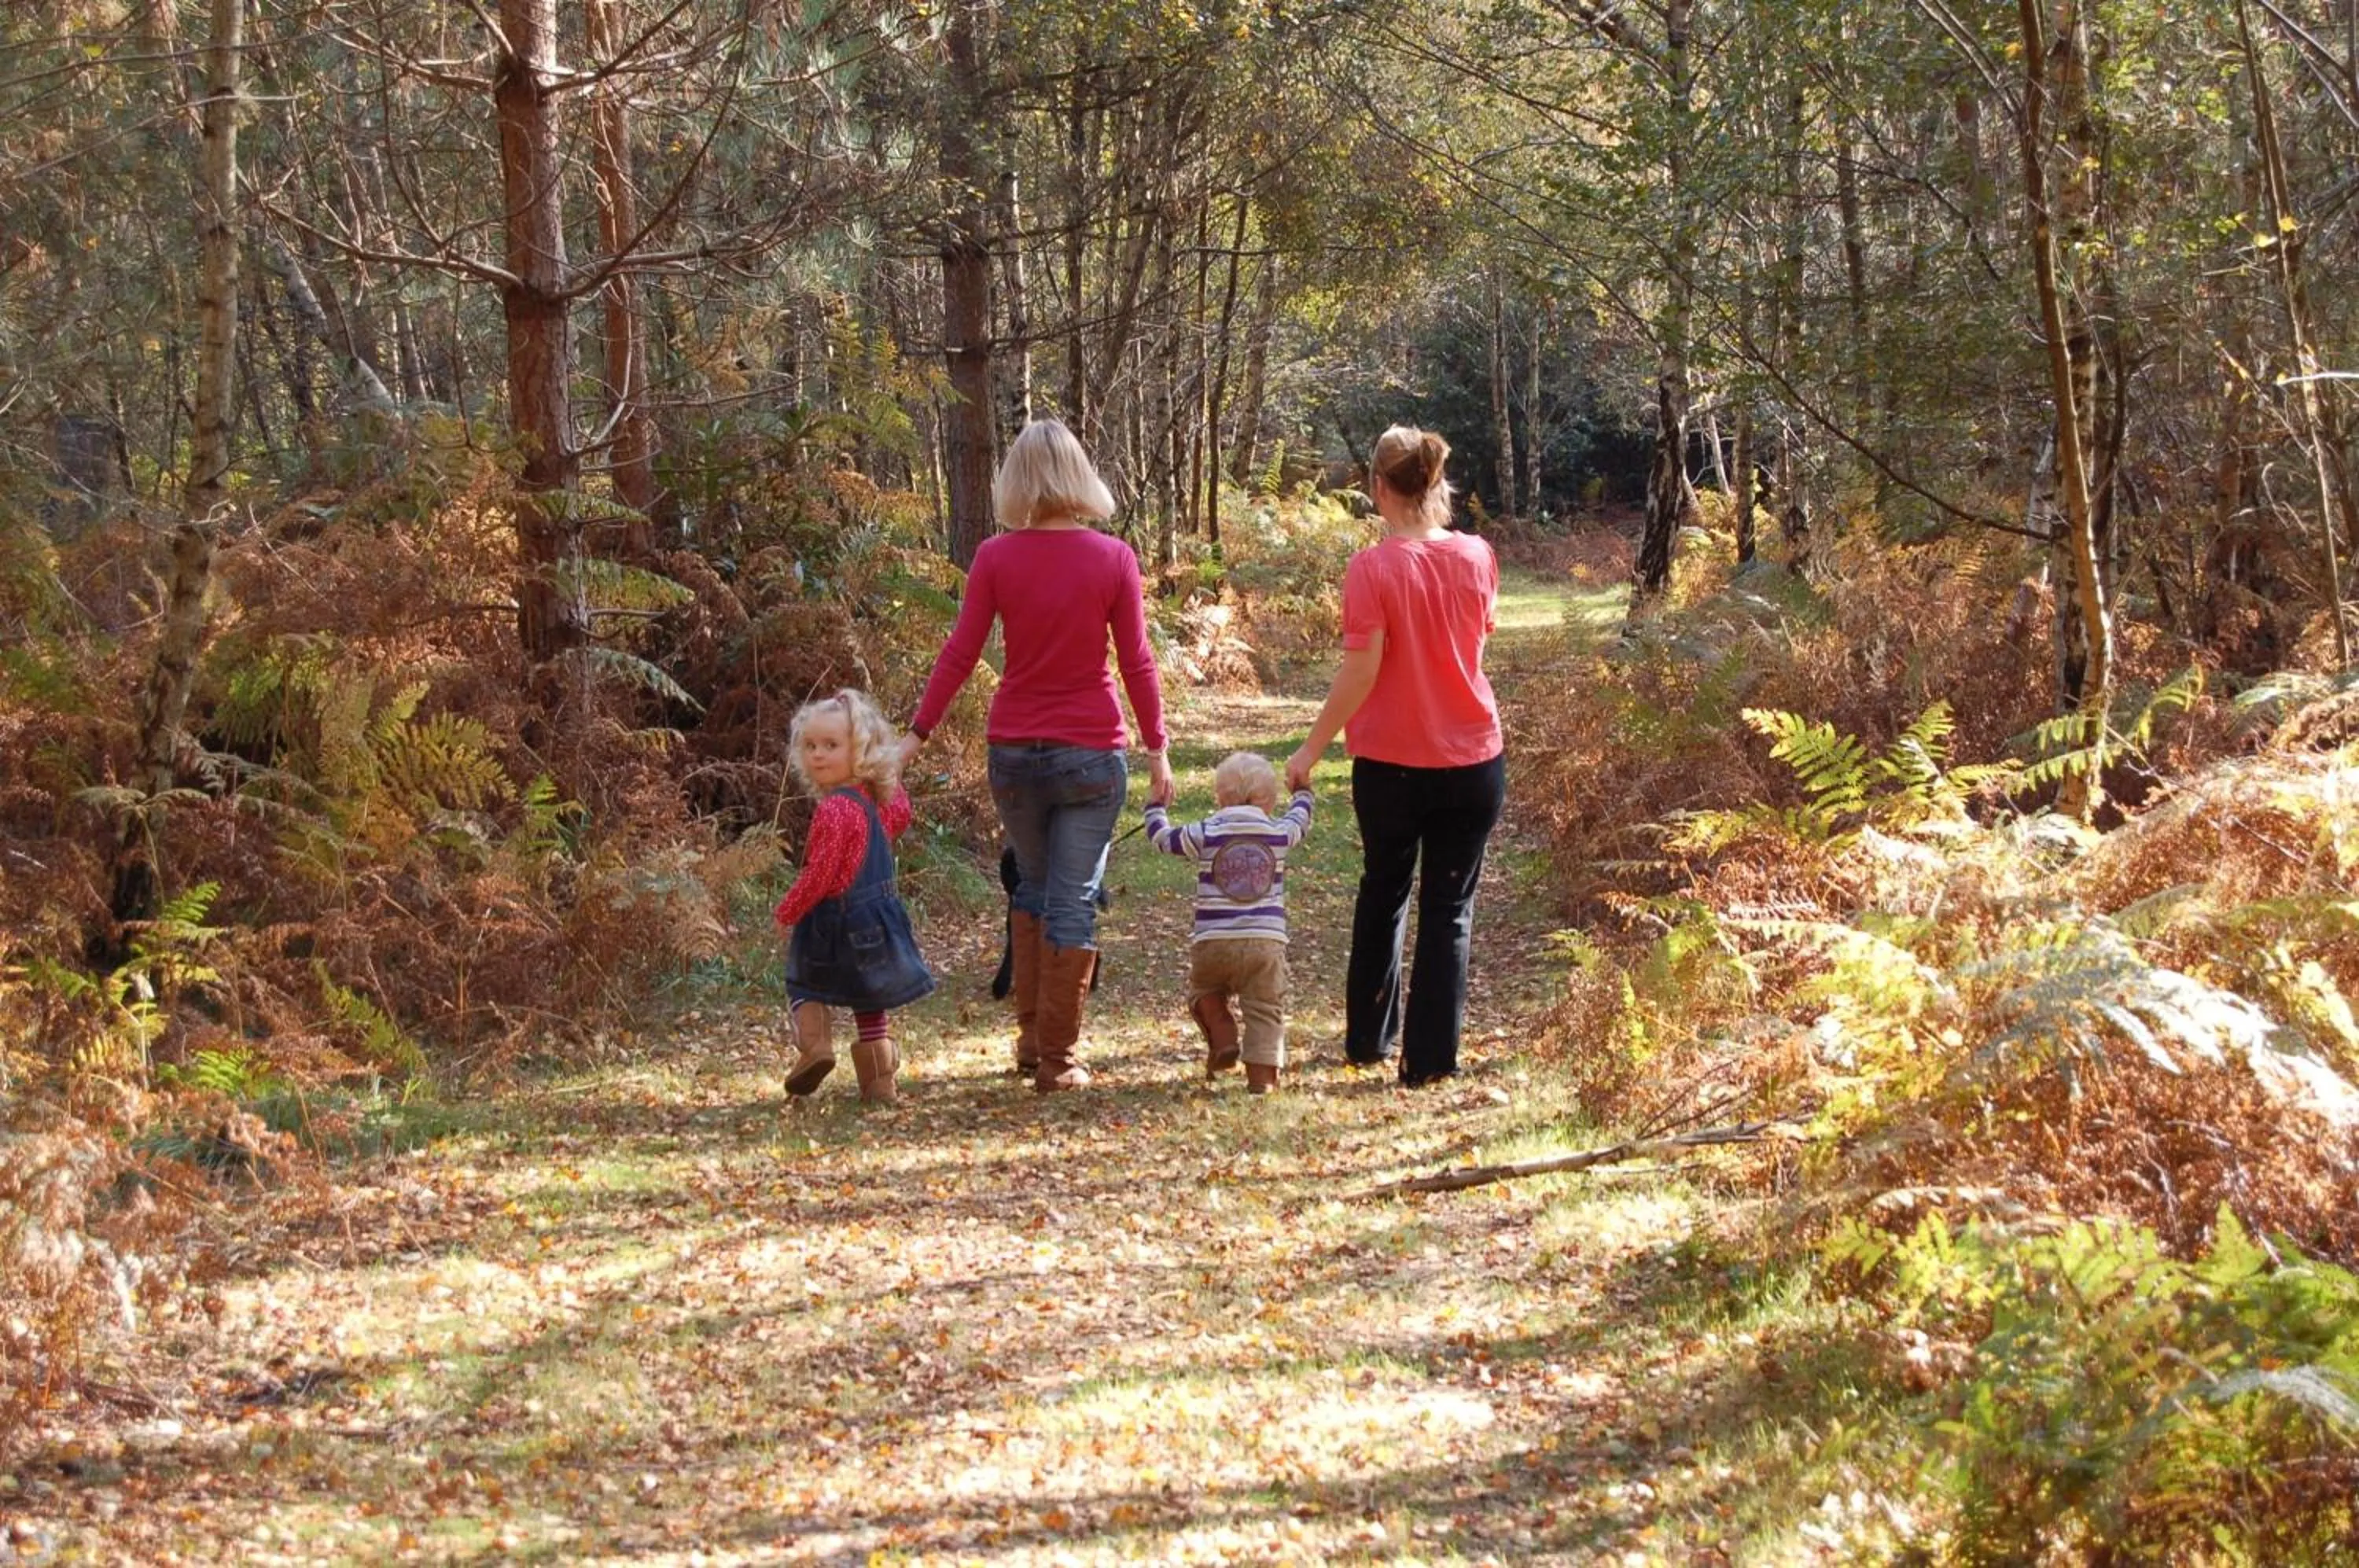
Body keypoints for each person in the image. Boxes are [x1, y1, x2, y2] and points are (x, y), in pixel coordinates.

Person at [899, 419, 1174, 1091]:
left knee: (1034, 886)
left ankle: (1031, 1039)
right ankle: (1060, 1059)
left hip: (1015, 753)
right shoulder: (1113, 558)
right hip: (1089, 755)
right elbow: (1136, 661)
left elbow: (961, 651)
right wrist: (1158, 749)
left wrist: (917, 734)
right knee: (1072, 897)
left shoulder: (997, 557)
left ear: (1016, 481)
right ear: (1079, 475)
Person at [1286, 425, 1503, 1088]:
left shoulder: (1373, 568)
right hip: (1473, 761)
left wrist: (1310, 749)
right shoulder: (1477, 555)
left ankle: (1368, 1044)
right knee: (1449, 908)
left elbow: (1361, 671)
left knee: (1384, 892)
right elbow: (1473, 653)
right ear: (1435, 485)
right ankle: (1431, 1062)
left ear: (1379, 487)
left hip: (1391, 766)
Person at [774, 689, 935, 1105]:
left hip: (832, 921)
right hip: (876, 921)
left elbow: (822, 874)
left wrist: (788, 911)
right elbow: (903, 811)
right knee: (870, 998)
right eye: (810, 746)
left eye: (831, 745)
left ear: (859, 751)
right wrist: (887, 771)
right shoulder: (876, 804)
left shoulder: (834, 811)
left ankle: (817, 1048)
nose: (818, 755)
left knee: (804, 982)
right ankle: (880, 1082)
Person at [1144, 751, 1315, 1094]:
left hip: (1213, 941)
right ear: (1267, 800)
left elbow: (1164, 839)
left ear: (1221, 798)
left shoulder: (1207, 831)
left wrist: (1155, 808)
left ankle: (1222, 1034)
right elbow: (1300, 820)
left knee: (1205, 991)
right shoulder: (1278, 832)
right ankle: (1262, 1080)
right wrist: (1304, 793)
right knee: (1265, 1008)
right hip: (1265, 944)